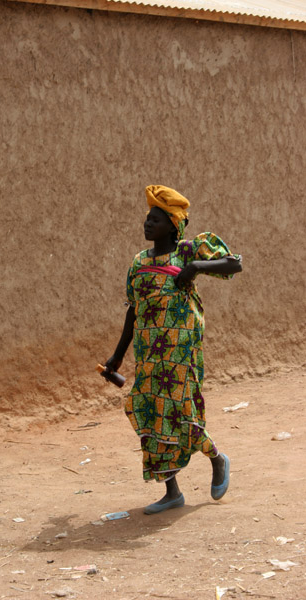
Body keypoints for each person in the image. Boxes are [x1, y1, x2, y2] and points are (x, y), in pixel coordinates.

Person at [105, 184, 242, 514]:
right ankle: (172, 492)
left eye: (155, 219)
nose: (147, 223)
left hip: (181, 352)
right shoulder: (139, 262)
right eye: (147, 218)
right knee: (151, 414)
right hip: (149, 354)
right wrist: (118, 355)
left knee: (182, 411)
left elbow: (233, 263)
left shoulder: (188, 251)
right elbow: (133, 310)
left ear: (172, 225)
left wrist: (196, 267)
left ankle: (216, 458)